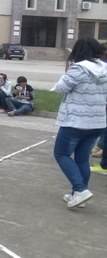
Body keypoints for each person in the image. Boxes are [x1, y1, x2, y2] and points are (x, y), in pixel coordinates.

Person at [52, 37, 107, 209]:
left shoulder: (78, 68)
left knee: (61, 154)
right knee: (82, 159)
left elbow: (61, 88)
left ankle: (80, 189)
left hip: (76, 121)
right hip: (98, 121)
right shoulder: (105, 68)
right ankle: (78, 195)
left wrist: (67, 72)